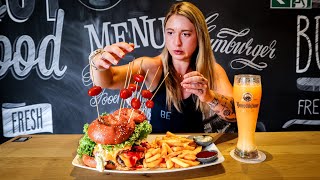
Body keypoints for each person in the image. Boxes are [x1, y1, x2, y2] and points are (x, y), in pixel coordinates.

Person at [89, 2, 236, 133]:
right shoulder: (152, 66)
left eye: (185, 34)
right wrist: (98, 63)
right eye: (170, 32)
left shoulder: (212, 71)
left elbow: (236, 115)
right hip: (156, 154)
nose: (176, 42)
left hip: (194, 155)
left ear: (199, 37)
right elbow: (109, 80)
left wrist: (209, 96)